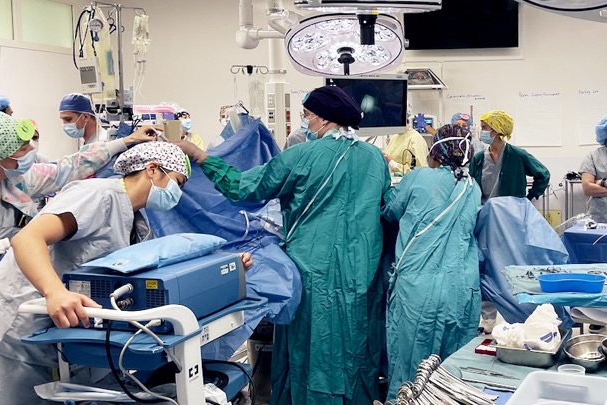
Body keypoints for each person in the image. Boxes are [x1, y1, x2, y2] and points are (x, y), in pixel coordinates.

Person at [0, 141, 254, 404]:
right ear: (152, 169)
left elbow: (157, 268)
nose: (178, 193)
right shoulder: (98, 196)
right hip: (6, 333)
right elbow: (28, 238)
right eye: (177, 182)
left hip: (55, 336)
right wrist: (55, 291)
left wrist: (226, 269)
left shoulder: (137, 221)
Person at [176, 85, 389, 404]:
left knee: (314, 349)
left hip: (312, 271)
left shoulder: (302, 155)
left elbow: (243, 188)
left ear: (322, 118)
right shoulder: (374, 158)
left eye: (306, 116)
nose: (305, 123)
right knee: (355, 343)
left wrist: (199, 156)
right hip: (361, 272)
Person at [0, 110, 155, 269]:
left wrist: (124, 141)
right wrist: (8, 245)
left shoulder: (16, 180)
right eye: (22, 149)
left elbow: (68, 168)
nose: (31, 152)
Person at [382, 124, 481, 397]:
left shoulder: (420, 178)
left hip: (419, 287)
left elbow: (390, 211)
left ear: (436, 151)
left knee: (411, 364)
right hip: (461, 287)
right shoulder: (472, 188)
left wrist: (388, 188)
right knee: (452, 366)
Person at [469, 110, 550, 204]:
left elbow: (543, 174)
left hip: (511, 212)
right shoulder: (478, 159)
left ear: (496, 130)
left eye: (484, 127)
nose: (481, 131)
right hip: (485, 212)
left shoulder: (517, 155)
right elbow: (471, 187)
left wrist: (529, 198)